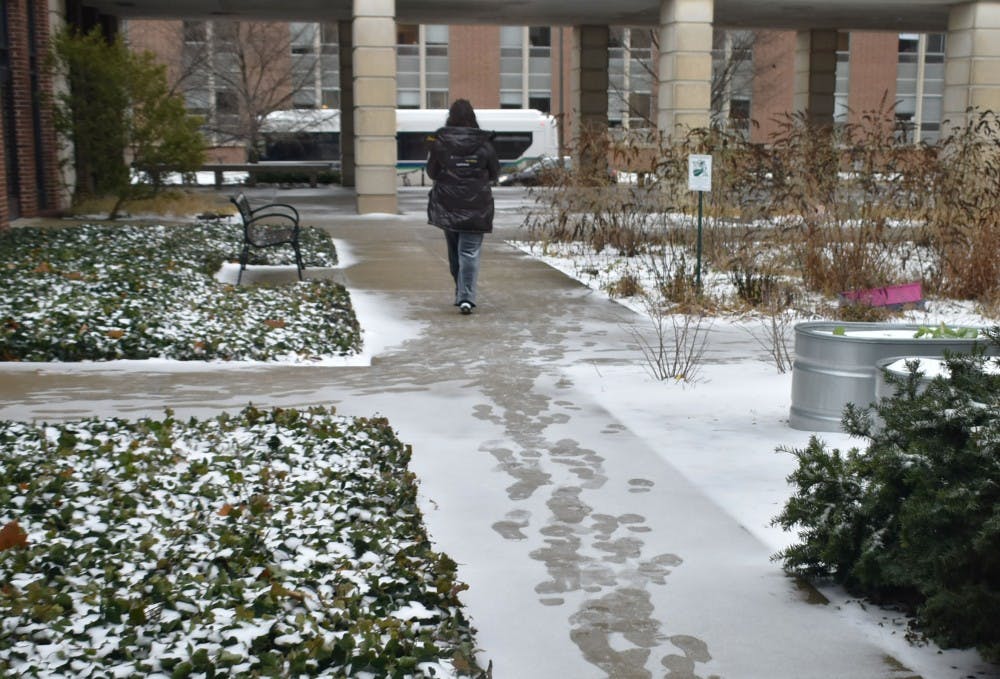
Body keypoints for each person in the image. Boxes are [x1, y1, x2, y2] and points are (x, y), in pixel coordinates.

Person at [426, 99, 500, 315]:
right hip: (477, 204)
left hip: (448, 204)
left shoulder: (440, 142)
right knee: (468, 252)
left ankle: (461, 292)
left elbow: (432, 172)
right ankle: (466, 296)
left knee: (454, 252)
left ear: (450, 117)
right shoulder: (485, 144)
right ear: (472, 117)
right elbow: (495, 172)